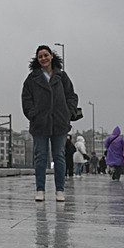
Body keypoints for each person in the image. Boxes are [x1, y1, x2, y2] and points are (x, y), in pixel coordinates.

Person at [21, 45, 79, 202]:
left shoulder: (62, 76)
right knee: (40, 156)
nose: (43, 59)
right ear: (37, 59)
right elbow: (26, 99)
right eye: (40, 56)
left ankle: (60, 190)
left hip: (59, 122)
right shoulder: (32, 79)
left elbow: (71, 95)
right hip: (40, 124)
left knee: (59, 156)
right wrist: (32, 114)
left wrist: (69, 112)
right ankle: (40, 190)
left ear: (52, 56)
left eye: (46, 55)